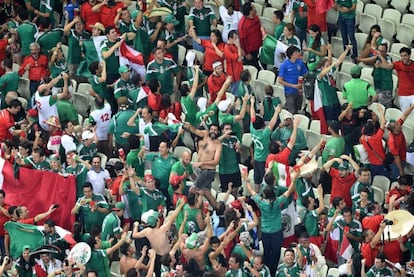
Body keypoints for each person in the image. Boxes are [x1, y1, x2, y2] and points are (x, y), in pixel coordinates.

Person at [244, 168, 299, 276]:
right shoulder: (278, 201)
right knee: (276, 253)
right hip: (276, 232)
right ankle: (272, 273)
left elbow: (251, 190)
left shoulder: (261, 202)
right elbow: (289, 191)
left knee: (267, 254)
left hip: (265, 232)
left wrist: (246, 178)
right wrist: (294, 178)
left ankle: (267, 272)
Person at [132, 200, 185, 276]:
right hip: (168, 256)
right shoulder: (162, 230)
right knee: (174, 273)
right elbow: (172, 218)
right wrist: (180, 206)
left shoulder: (147, 231)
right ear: (157, 221)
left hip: (157, 258)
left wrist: (136, 225)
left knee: (159, 274)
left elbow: (134, 235)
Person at [250, 97, 281, 192]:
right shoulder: (265, 134)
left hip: (256, 159)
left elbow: (253, 116)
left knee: (257, 180)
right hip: (264, 160)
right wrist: (276, 112)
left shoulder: (252, 129)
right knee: (266, 180)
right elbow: (271, 124)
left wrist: (252, 104)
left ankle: (256, 199)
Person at [145, 140, 178, 209]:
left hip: (167, 188)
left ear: (168, 149)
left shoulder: (174, 159)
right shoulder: (154, 156)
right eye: (159, 147)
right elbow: (141, 156)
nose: (160, 149)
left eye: (162, 147)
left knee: (167, 205)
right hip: (155, 187)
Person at [360, 105, 388, 178]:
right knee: (384, 178)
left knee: (374, 179)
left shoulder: (363, 139)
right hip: (381, 163)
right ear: (374, 130)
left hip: (371, 163)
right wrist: (381, 111)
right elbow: (383, 122)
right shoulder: (377, 137)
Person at [279, 45, 307, 114]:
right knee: (291, 112)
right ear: (291, 55)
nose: (298, 53)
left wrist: (303, 78)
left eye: (298, 52)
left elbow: (305, 73)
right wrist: (293, 86)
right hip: (289, 92)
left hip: (299, 91)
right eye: (296, 52)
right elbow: (280, 80)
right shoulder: (284, 65)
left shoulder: (300, 63)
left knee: (298, 110)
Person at [238, 1, 261, 69]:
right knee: (254, 67)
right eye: (253, 7)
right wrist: (247, 53)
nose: (255, 7)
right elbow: (242, 40)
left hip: (259, 47)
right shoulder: (243, 25)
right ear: (250, 10)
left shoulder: (255, 17)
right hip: (251, 51)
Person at [393, 47, 414, 113]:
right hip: (402, 94)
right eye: (402, 56)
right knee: (404, 114)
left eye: (405, 55)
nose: (403, 57)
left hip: (413, 93)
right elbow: (388, 66)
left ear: (409, 55)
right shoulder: (398, 64)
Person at [373, 43, 394, 108]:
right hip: (377, 86)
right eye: (379, 51)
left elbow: (388, 66)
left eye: (382, 51)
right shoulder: (377, 58)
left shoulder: (388, 58)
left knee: (383, 108)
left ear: (386, 51)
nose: (380, 53)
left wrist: (380, 56)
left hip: (386, 88)